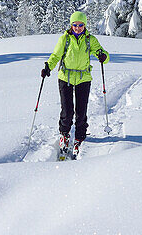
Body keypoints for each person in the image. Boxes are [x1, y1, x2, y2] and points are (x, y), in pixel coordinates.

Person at [42, 11, 109, 158]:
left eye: (80, 25)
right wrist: (48, 67)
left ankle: (79, 138)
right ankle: (64, 135)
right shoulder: (65, 39)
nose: (78, 27)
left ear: (85, 25)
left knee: (81, 111)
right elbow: (56, 56)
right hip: (65, 77)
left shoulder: (90, 40)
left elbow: (103, 53)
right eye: (75, 25)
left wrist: (103, 56)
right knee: (67, 110)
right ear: (71, 25)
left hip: (83, 78)